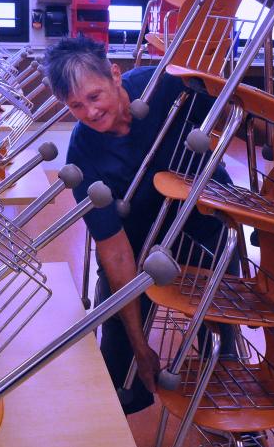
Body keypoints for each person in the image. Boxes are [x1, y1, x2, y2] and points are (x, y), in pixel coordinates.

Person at [44, 36, 231, 415]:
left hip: (203, 223)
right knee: (118, 333)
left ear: (115, 74)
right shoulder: (83, 154)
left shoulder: (166, 86)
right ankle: (116, 430)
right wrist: (139, 343)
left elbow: (230, 110)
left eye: (95, 97)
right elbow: (114, 249)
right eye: (75, 106)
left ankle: (234, 404)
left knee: (222, 320)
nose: (90, 113)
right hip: (139, 238)